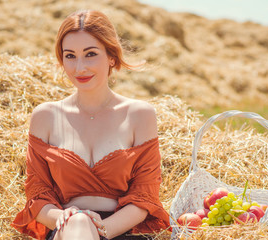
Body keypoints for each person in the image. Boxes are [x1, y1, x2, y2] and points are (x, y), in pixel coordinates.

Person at [11, 9, 171, 240]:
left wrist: (100, 229)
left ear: (111, 57)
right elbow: (37, 196)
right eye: (70, 56)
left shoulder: (139, 114)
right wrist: (64, 218)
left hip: (120, 230)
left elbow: (145, 197)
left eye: (90, 54)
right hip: (65, 228)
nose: (79, 68)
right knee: (77, 224)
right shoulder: (45, 116)